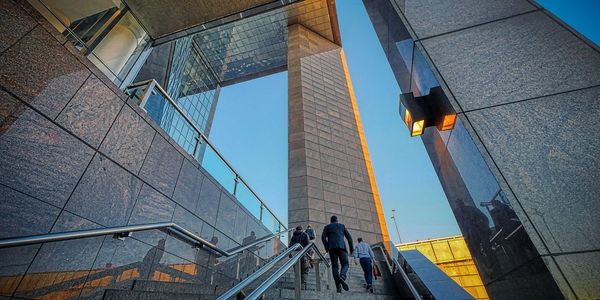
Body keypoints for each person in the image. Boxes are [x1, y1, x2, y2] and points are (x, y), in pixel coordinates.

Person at [321, 215, 353, 293]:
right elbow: (349, 238)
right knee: (345, 264)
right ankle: (342, 276)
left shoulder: (327, 227)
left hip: (332, 248)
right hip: (342, 247)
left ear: (330, 221)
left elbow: (323, 238)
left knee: (335, 267)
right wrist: (351, 249)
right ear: (337, 220)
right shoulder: (342, 226)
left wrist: (327, 247)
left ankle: (338, 287)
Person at [289, 225, 310, 289]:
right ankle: (303, 285)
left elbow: (290, 245)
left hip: (295, 255)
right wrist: (309, 255)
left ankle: (297, 285)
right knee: (304, 271)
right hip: (303, 254)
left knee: (297, 271)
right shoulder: (305, 234)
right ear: (302, 229)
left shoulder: (293, 236)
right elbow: (308, 244)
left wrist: (290, 254)